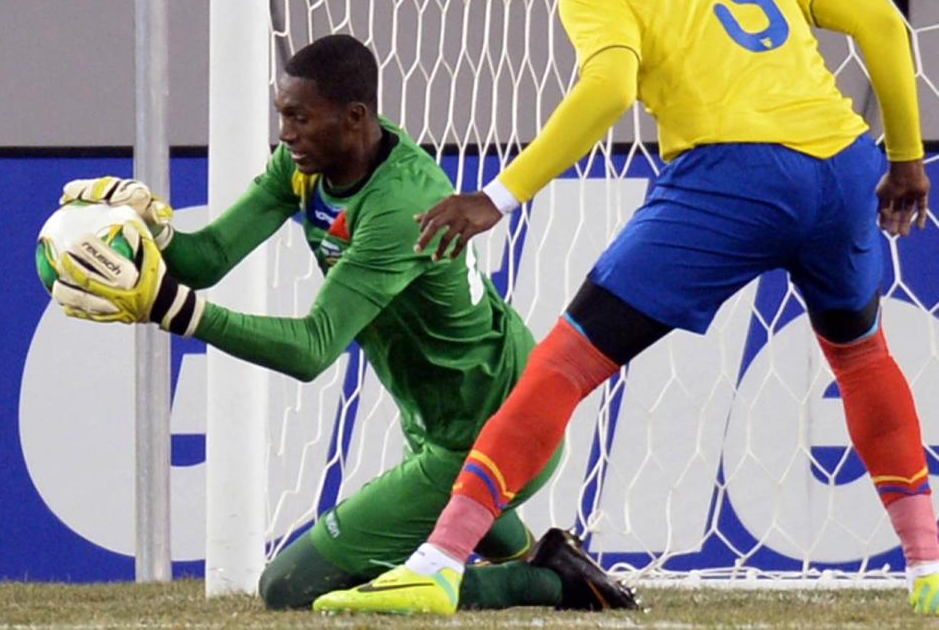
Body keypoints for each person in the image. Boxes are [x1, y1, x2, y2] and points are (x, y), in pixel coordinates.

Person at [311, 0, 937, 616]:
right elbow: (883, 21)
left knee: (564, 365)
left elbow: (610, 90)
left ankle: (438, 561)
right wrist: (906, 157)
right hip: (845, 168)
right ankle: (929, 569)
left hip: (732, 179)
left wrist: (500, 196)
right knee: (861, 359)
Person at [51, 34, 639, 612]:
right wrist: (147, 227)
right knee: (414, 525)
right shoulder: (304, 165)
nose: (285, 134)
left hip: (497, 425)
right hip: (441, 415)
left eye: (299, 118)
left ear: (354, 117)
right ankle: (539, 558)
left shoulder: (399, 205)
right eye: (282, 116)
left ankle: (547, 584)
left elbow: (311, 350)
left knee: (288, 588)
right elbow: (206, 260)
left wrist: (170, 309)